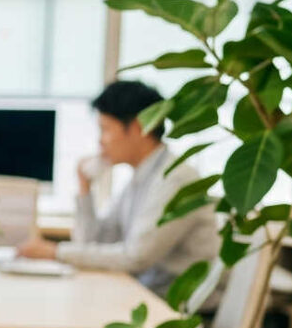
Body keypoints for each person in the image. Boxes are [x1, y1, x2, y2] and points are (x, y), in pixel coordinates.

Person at [16, 78, 220, 294]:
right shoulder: (139, 179)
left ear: (138, 127)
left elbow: (136, 257)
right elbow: (94, 241)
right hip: (150, 293)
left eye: (105, 129)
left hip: (181, 306)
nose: (100, 141)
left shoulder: (175, 178)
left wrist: (55, 252)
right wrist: (84, 188)